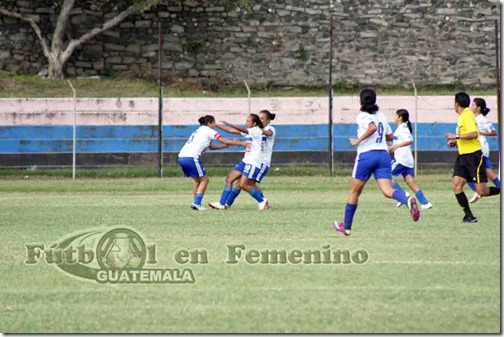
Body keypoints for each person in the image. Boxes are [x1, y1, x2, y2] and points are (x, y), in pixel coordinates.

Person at [332, 89, 420, 237]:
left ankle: (346, 226)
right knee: (387, 190)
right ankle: (407, 199)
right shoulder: (382, 116)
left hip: (367, 155)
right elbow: (390, 135)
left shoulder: (362, 116)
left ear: (361, 101)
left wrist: (357, 140)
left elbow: (372, 128)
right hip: (383, 155)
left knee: (354, 192)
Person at [445, 92, 500, 222]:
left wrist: (456, 136)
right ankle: (468, 215)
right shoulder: (462, 117)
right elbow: (465, 135)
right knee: (456, 185)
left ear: (457, 104)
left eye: (454, 102)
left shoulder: (468, 115)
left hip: (474, 157)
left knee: (482, 191)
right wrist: (456, 142)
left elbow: (474, 134)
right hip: (462, 157)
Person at [209, 110, 276, 210]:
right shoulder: (253, 130)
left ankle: (262, 201)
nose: (260, 120)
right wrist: (215, 125)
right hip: (247, 160)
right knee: (233, 181)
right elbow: (232, 131)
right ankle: (224, 204)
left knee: (246, 184)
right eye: (259, 118)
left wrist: (260, 129)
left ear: (268, 121)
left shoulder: (267, 129)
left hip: (261, 161)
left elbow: (268, 133)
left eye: (263, 118)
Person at [177, 115, 242, 211]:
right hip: (191, 158)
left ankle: (195, 203)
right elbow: (223, 140)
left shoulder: (200, 130)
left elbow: (211, 146)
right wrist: (236, 143)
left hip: (182, 157)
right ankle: (196, 203)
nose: (215, 125)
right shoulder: (209, 130)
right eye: (214, 123)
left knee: (197, 181)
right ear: (209, 123)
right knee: (204, 180)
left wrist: (225, 146)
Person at [388, 109, 432, 210]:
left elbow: (409, 140)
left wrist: (396, 146)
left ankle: (402, 195)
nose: (394, 118)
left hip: (401, 159)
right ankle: (425, 202)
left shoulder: (403, 128)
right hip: (407, 160)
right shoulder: (400, 128)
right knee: (410, 182)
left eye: (395, 116)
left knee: (385, 175)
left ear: (400, 118)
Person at [465, 97, 500, 203]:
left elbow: (493, 132)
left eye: (474, 105)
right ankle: (479, 191)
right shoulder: (473, 118)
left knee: (466, 171)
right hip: (479, 149)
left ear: (479, 108)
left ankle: (477, 191)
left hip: (479, 149)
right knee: (490, 174)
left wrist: (480, 133)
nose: (471, 107)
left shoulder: (482, 119)